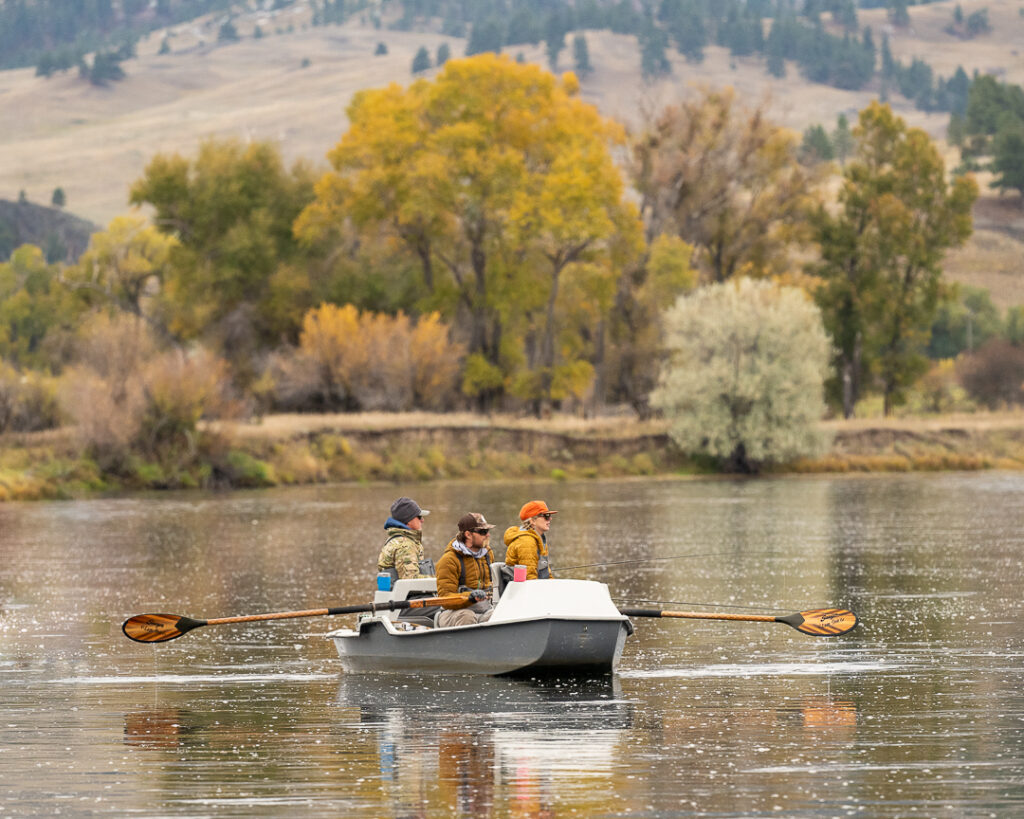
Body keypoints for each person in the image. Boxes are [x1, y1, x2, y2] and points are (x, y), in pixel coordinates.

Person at [435, 513, 496, 627]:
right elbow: (445, 599)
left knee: (498, 615)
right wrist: (470, 597)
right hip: (452, 613)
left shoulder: (487, 554)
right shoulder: (449, 560)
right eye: (483, 532)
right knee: (467, 616)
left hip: (483, 611)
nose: (487, 535)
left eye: (488, 531)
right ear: (468, 534)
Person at [377, 496, 434, 582]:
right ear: (408, 521)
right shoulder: (405, 546)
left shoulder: (395, 540)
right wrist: (440, 581)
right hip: (408, 595)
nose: (422, 520)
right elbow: (410, 581)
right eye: (419, 517)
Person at [503, 500, 557, 580]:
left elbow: (546, 572)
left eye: (549, 516)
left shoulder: (539, 538)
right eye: (546, 516)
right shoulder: (527, 542)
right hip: (521, 590)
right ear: (533, 521)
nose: (550, 519)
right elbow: (530, 578)